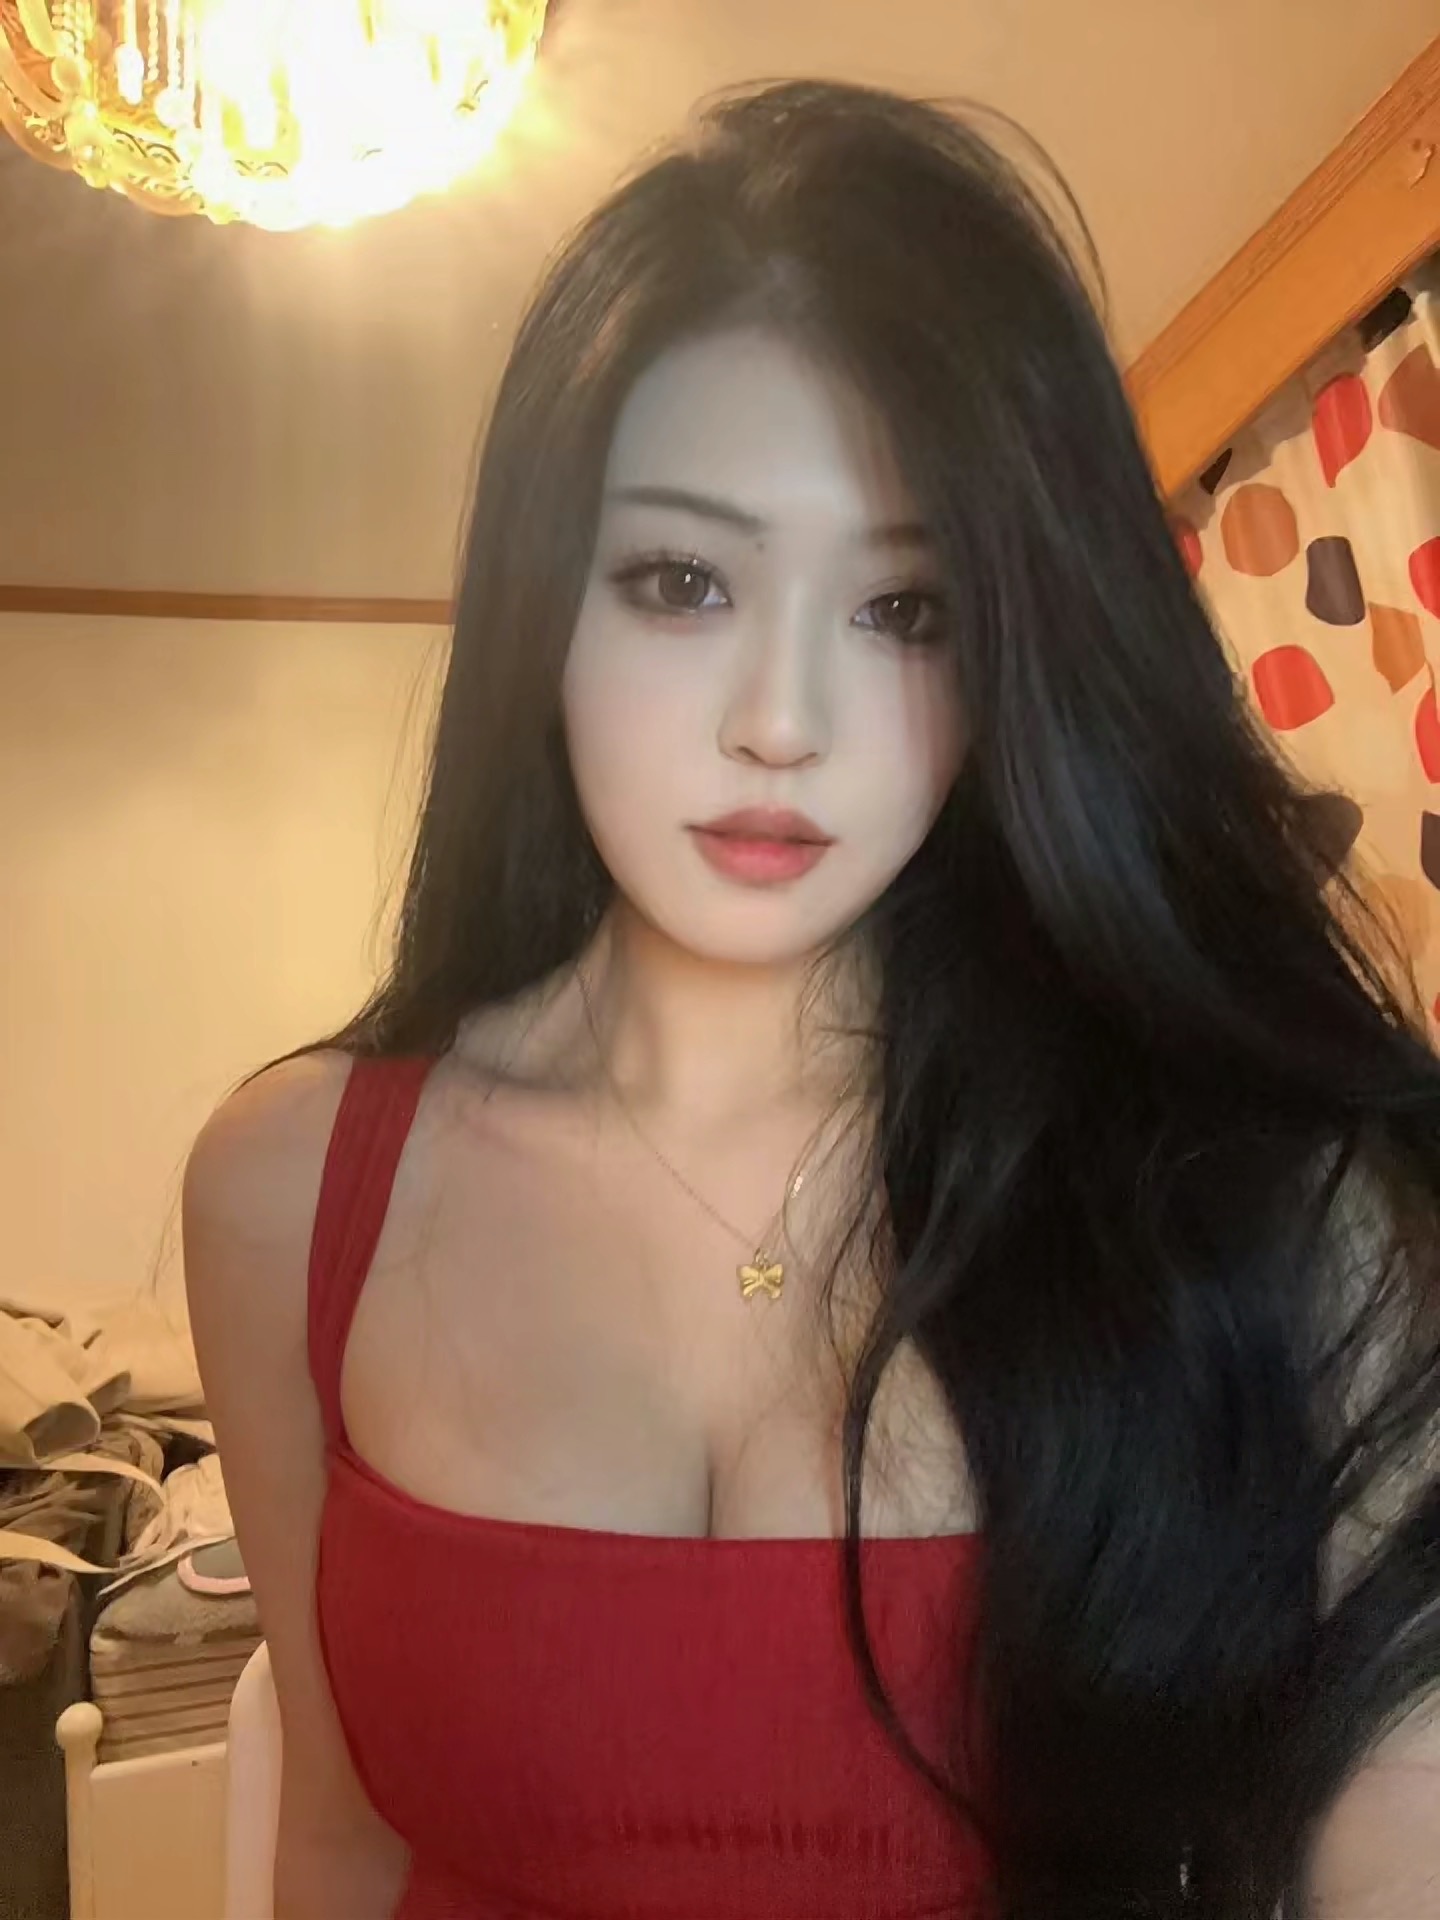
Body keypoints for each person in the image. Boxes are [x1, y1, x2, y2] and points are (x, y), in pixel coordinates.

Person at [182, 79, 1440, 1920]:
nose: (783, 720)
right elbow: (340, 1836)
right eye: (683, 580)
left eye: (907, 612)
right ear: (546, 609)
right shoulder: (289, 1191)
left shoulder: (1271, 1202)